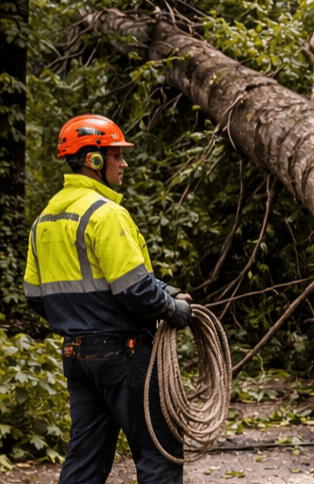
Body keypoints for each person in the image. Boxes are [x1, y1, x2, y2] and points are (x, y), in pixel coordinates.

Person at [23, 114, 193, 484]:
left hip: (76, 357)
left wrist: (85, 317)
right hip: (123, 354)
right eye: (117, 154)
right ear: (93, 159)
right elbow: (135, 291)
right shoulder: (105, 214)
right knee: (159, 455)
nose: (124, 163)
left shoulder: (44, 220)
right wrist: (172, 307)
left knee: (85, 461)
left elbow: (36, 298)